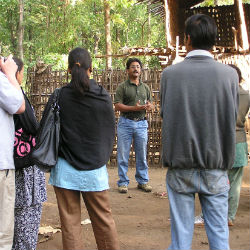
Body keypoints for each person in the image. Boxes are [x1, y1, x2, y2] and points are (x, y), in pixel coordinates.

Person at [160, 14, 239, 250]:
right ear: (215, 40)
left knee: (180, 241)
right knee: (219, 238)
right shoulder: (229, 76)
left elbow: (166, 113)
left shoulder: (169, 75)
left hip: (180, 167)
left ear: (187, 39)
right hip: (215, 166)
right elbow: (231, 117)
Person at [48, 47, 120, 250]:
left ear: (69, 69)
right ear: (91, 68)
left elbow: (47, 129)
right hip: (94, 170)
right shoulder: (103, 96)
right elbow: (109, 131)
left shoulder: (60, 96)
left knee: (70, 225)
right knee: (104, 222)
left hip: (65, 170)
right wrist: (99, 156)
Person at [194, 64, 250, 227]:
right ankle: (229, 217)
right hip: (239, 142)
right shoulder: (246, 95)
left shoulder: (217, 94)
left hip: (219, 141)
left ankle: (208, 215)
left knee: (211, 180)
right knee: (234, 183)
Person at [11, 57, 47, 250]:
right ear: (16, 73)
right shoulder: (15, 94)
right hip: (24, 169)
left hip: (12, 167)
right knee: (25, 225)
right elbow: (32, 126)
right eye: (22, 72)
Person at [114, 58, 154, 194]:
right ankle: (123, 183)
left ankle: (143, 182)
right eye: (132, 67)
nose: (135, 69)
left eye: (138, 66)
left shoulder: (146, 87)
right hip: (125, 123)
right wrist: (134, 108)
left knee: (142, 154)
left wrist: (149, 106)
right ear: (127, 70)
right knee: (123, 154)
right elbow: (117, 106)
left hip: (142, 123)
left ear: (141, 70)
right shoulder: (122, 87)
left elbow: (152, 104)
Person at [0, 55, 25, 250]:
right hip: (1, 166)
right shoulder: (2, 80)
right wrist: (10, 74)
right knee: (3, 231)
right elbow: (20, 106)